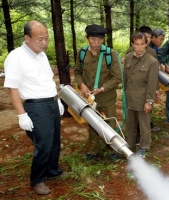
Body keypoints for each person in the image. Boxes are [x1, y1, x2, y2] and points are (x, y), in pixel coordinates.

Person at [4, 20, 65, 195]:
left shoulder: (41, 54)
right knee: (44, 144)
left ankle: (52, 171)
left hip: (51, 103)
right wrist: (22, 115)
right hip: (36, 107)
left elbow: (47, 79)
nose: (45, 42)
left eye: (46, 38)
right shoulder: (16, 57)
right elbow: (12, 88)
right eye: (40, 39)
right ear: (27, 38)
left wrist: (57, 100)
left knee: (54, 141)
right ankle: (37, 179)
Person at [74, 24, 122, 159]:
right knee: (92, 123)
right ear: (87, 38)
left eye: (100, 40)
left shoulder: (109, 54)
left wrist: (102, 88)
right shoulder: (82, 53)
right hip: (89, 98)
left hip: (106, 96)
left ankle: (113, 148)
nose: (96, 43)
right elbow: (77, 72)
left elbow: (117, 77)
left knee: (110, 122)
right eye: (93, 39)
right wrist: (82, 85)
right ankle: (93, 149)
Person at [124, 32, 159, 156]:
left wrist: (149, 101)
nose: (139, 48)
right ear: (132, 44)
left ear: (146, 44)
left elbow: (152, 83)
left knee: (144, 125)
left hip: (143, 98)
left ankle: (144, 146)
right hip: (131, 97)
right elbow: (126, 78)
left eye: (141, 44)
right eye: (136, 44)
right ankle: (130, 145)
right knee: (130, 124)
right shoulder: (128, 58)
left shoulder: (152, 62)